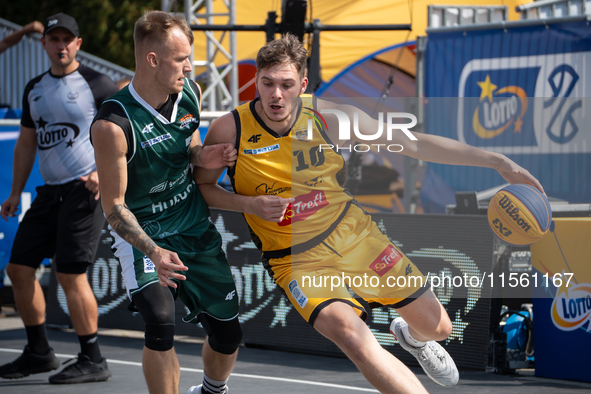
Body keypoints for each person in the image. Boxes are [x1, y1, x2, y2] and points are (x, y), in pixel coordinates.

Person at [195, 34, 546, 393]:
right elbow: (204, 188)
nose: (276, 95)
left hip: (354, 236)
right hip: (295, 259)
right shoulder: (230, 129)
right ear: (256, 80)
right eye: (267, 83)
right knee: (354, 337)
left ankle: (413, 337)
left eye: (286, 85)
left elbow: (412, 143)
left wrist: (498, 161)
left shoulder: (329, 117)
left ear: (302, 84)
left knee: (438, 327)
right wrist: (248, 205)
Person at [90, 11, 242, 394]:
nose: (189, 67)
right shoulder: (113, 124)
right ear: (152, 60)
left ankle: (211, 391)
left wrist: (201, 157)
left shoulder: (189, 91)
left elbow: (187, 144)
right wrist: (155, 252)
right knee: (159, 323)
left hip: (191, 223)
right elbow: (114, 208)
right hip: (144, 233)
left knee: (228, 335)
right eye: (181, 59)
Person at [0, 13, 117, 384]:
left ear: (78, 44)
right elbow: (26, 142)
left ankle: (93, 357)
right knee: (18, 269)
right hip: (49, 193)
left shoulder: (99, 84)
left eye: (68, 39)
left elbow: (124, 135)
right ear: (44, 44)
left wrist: (104, 172)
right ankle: (38, 352)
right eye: (54, 39)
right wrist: (16, 191)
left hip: (86, 190)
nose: (61, 45)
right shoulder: (34, 87)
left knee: (69, 274)